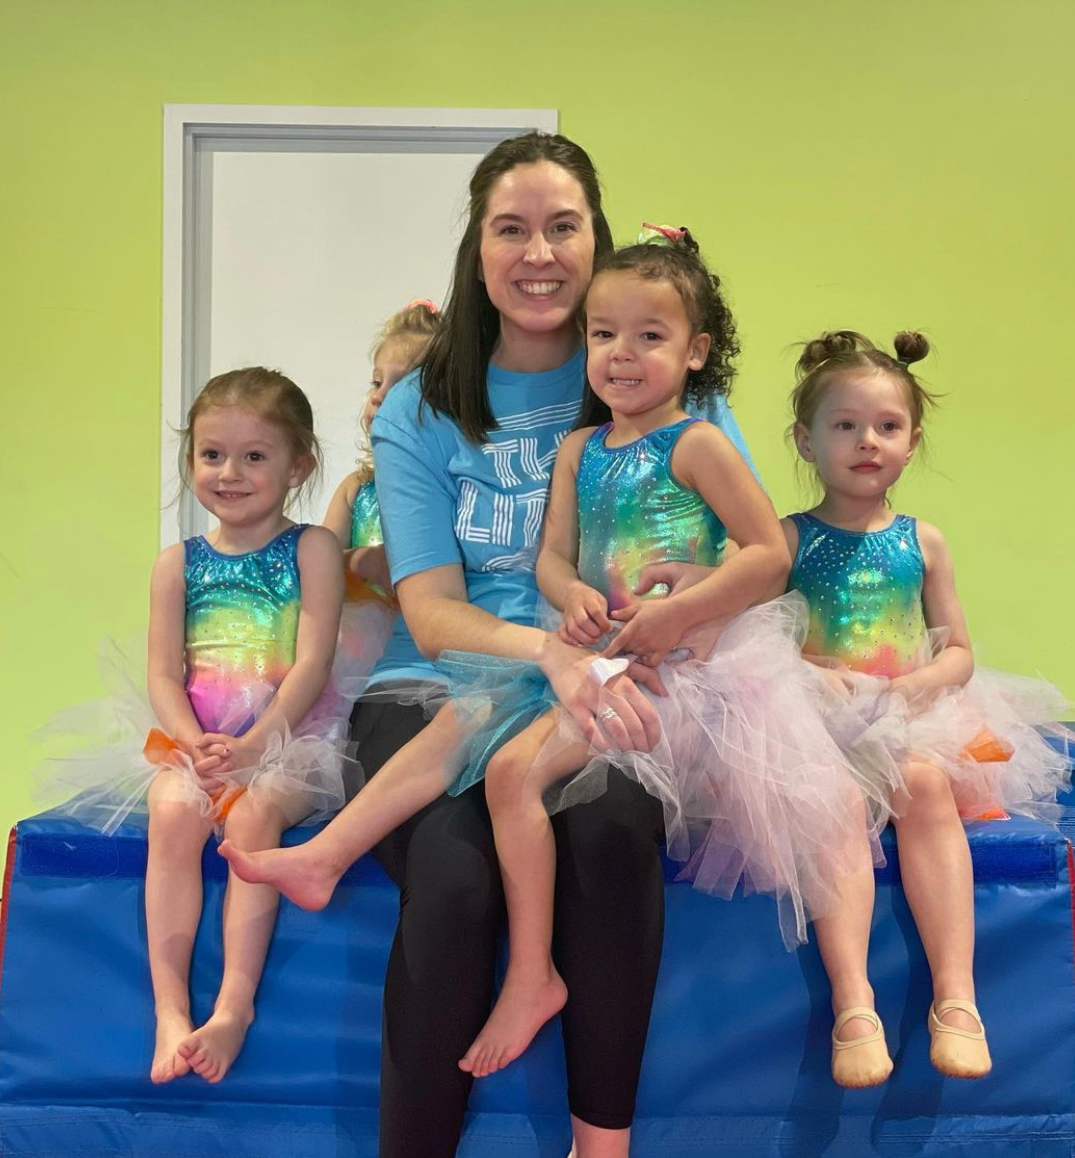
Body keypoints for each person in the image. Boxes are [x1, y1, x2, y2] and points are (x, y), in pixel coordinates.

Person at [222, 132, 756, 1158]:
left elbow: (741, 550)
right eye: (510, 229)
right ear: (477, 250)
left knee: (605, 832)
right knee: (457, 883)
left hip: (615, 677)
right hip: (438, 688)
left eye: (563, 227)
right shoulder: (422, 409)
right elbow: (430, 611)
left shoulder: (648, 373)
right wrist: (545, 650)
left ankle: (604, 1142)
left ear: (598, 237)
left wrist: (688, 602)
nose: (539, 253)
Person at [448, 229, 885, 1086]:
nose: (622, 353)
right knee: (506, 776)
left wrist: (680, 611)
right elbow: (552, 557)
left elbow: (767, 554)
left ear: (695, 352)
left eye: (651, 336)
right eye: (605, 333)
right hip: (613, 662)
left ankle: (856, 999)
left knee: (822, 802)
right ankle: (534, 972)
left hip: (699, 669)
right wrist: (569, 594)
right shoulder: (578, 450)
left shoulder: (696, 443)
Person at [783, 330, 1075, 1080]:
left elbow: (958, 652)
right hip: (814, 725)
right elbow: (756, 641)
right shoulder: (787, 540)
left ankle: (957, 998)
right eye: (844, 425)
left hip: (908, 716)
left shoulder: (924, 542)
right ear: (806, 441)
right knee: (836, 802)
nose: (867, 442)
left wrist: (915, 687)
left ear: (912, 443)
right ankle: (855, 1006)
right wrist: (814, 679)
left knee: (925, 783)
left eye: (887, 426)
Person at [53, 367, 348, 1085]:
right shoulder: (176, 564)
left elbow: (312, 662)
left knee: (251, 822)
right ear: (190, 460)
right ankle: (170, 1011)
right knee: (173, 812)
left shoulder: (312, 549)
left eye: (255, 456)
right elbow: (162, 672)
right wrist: (190, 741)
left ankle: (233, 1007)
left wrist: (259, 743)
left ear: (298, 464)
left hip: (289, 742)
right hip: (198, 738)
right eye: (212, 454)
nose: (230, 473)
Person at [321, 300, 442, 681]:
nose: (379, 395)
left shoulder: (450, 490)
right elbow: (315, 567)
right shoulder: (356, 489)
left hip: (428, 662)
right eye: (377, 382)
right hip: (354, 666)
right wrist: (361, 562)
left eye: (402, 384)